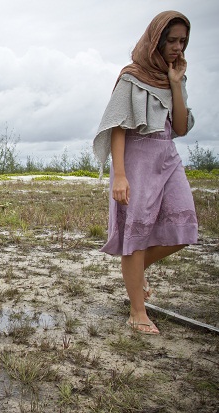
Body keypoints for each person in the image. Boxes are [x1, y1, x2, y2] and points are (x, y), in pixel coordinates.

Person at [93, 11, 197, 335]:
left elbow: (180, 127)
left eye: (183, 41)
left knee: (186, 223)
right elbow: (118, 127)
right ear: (156, 39)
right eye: (172, 40)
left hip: (167, 155)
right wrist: (119, 175)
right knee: (135, 233)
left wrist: (176, 84)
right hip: (136, 158)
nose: (178, 47)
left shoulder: (172, 77)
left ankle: (135, 273)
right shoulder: (131, 77)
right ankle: (137, 313)